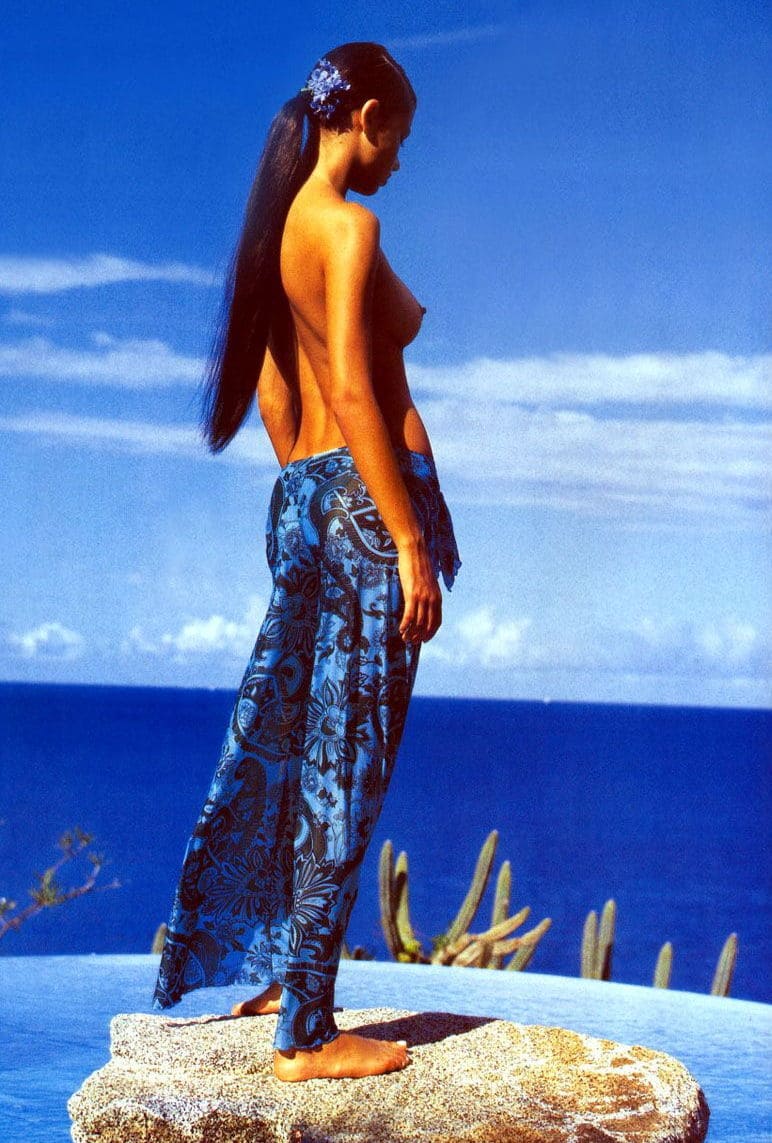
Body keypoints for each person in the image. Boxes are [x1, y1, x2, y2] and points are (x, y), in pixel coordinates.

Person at [151, 41, 461, 1082]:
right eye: (397, 138)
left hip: (311, 499)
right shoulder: (346, 225)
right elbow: (359, 389)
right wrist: (404, 537)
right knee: (347, 768)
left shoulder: (279, 232)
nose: (398, 161)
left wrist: (315, 499)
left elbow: (281, 390)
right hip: (369, 512)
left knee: (291, 749)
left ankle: (288, 977)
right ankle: (308, 1034)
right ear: (363, 117)